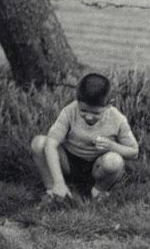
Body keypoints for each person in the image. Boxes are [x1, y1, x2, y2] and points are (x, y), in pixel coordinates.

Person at [31, 73, 139, 204]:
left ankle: (98, 191)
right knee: (39, 143)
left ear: (109, 105)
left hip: (98, 167)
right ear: (77, 101)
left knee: (114, 161)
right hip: (69, 162)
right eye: (83, 110)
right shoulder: (69, 111)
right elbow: (51, 143)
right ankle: (54, 190)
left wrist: (112, 146)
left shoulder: (118, 119)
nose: (88, 117)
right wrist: (59, 183)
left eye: (95, 113)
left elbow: (134, 152)